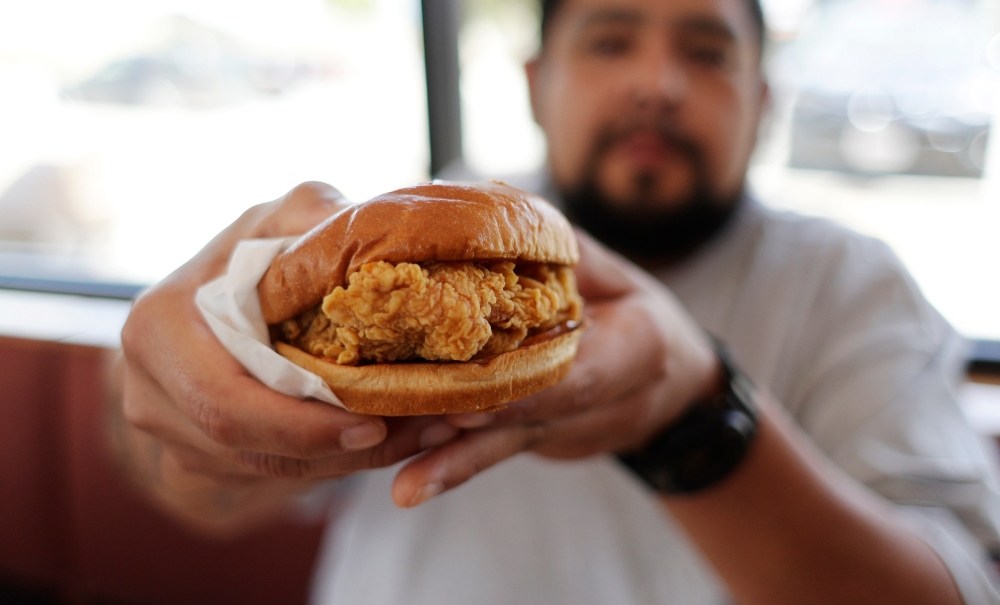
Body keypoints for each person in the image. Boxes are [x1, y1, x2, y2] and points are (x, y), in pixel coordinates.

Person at [113, 0, 1000, 602]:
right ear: (539, 83)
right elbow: (200, 502)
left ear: (762, 102)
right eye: (611, 40)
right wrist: (187, 400)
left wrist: (692, 410)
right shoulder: (407, 229)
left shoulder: (852, 287)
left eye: (706, 50)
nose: (658, 82)